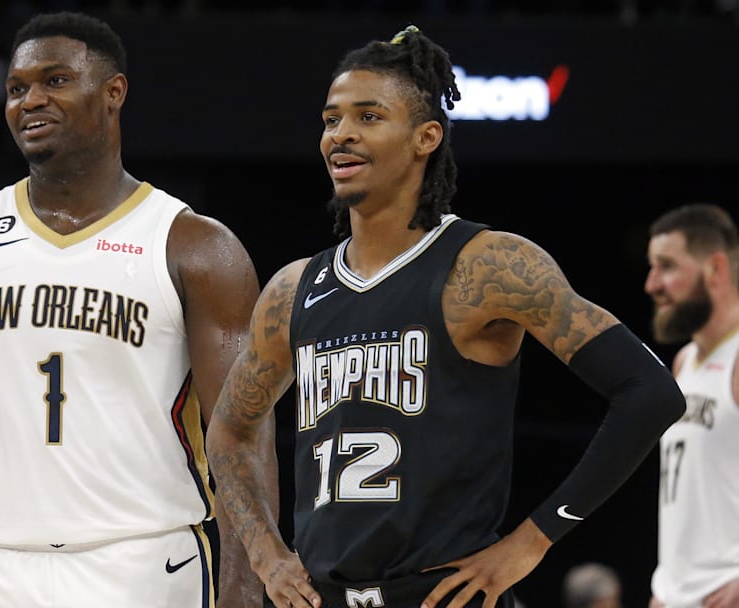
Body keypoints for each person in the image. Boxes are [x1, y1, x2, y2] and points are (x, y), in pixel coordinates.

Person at [205, 24, 685, 608]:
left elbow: (650, 392)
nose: (341, 134)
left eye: (369, 116)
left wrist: (532, 541)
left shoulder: (487, 266)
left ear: (425, 137)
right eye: (331, 119)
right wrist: (266, 554)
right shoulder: (293, 289)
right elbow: (229, 430)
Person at [0, 10, 273, 608]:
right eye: (16, 88)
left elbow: (242, 430)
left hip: (143, 563)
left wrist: (244, 587)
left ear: (113, 92)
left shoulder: (195, 247)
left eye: (55, 81)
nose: (30, 101)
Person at [644, 203, 739, 608]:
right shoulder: (683, 362)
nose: (651, 284)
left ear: (715, 268)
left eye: (666, 266)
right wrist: (666, 587)